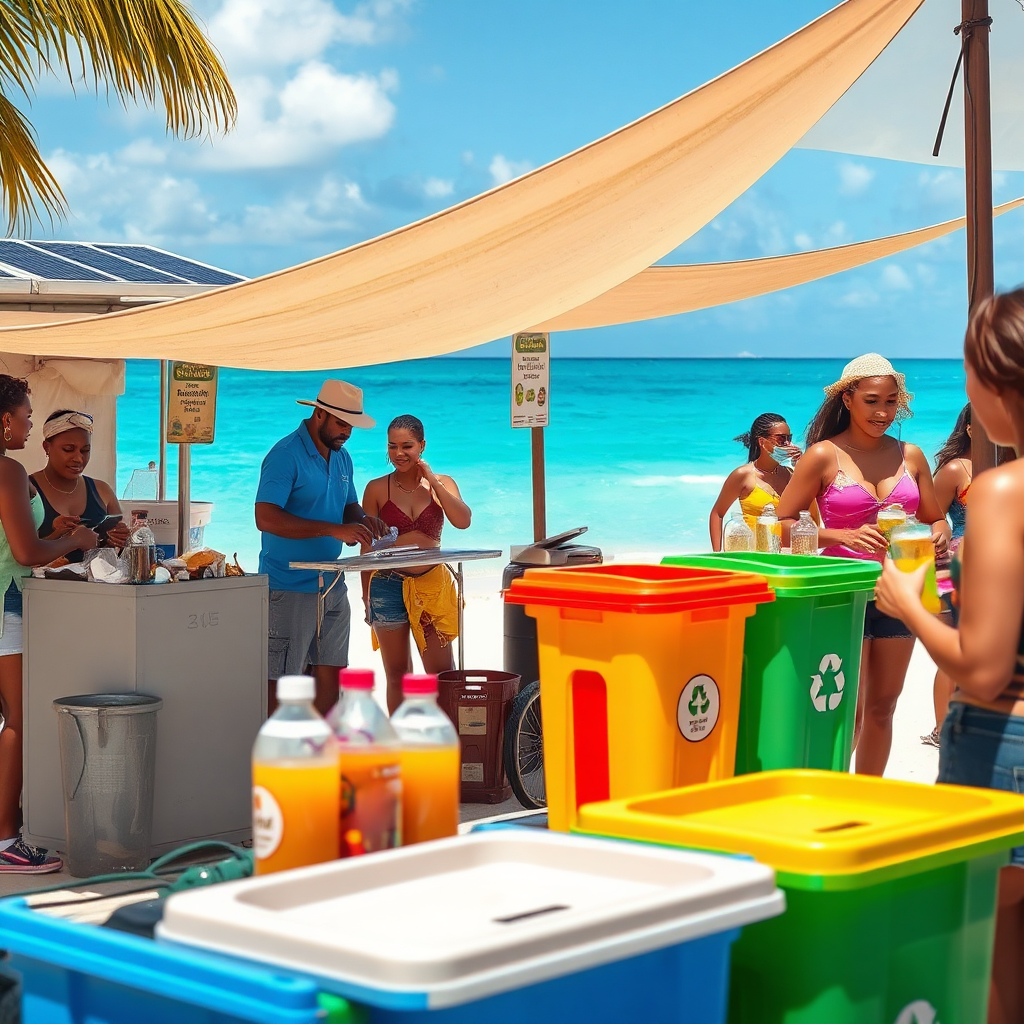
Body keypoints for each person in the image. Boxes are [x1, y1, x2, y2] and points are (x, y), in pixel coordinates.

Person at [874, 291, 1024, 1024]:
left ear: (996, 383)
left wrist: (908, 603)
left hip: (1006, 746)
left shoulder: (1002, 493)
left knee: (993, 966)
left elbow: (985, 666)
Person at [776, 354, 949, 776]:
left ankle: (867, 798)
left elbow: (933, 516)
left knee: (883, 706)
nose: (883, 412)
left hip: (903, 588)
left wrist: (941, 530)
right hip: (842, 592)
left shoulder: (911, 456)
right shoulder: (822, 455)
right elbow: (781, 523)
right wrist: (840, 536)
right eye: (872, 401)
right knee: (844, 708)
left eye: (891, 402)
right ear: (848, 399)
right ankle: (830, 793)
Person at [0, 377, 97, 874]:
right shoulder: (10, 471)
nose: (30, 422)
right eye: (27, 415)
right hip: (7, 604)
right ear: (5, 421)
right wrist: (74, 540)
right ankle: (5, 839)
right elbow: (26, 553)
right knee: (18, 720)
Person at [255, 380, 388, 716]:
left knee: (332, 676)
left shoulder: (343, 459)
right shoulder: (285, 455)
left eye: (351, 426)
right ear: (319, 414)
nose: (347, 433)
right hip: (287, 586)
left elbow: (348, 507)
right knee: (284, 686)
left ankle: (323, 758)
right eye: (341, 423)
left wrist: (365, 520)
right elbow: (265, 517)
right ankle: (279, 761)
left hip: (332, 582)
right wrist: (333, 529)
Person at [360, 415, 472, 712]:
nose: (399, 453)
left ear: (422, 446)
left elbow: (463, 521)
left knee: (441, 676)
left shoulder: (442, 484)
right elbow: (366, 549)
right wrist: (365, 596)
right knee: (397, 675)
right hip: (386, 585)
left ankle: (446, 742)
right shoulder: (375, 488)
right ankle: (401, 745)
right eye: (392, 446)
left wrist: (431, 479)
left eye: (407, 446)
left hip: (431, 586)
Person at [921, 402, 972, 749]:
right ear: (970, 428)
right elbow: (930, 518)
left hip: (1002, 569)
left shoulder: (1010, 465)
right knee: (956, 652)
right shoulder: (956, 469)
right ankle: (941, 730)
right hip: (955, 569)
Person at [30, 410, 131, 559]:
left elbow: (122, 556)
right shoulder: (27, 489)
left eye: (85, 450)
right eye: (68, 449)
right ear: (47, 447)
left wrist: (120, 539)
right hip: (42, 583)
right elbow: (24, 555)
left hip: (96, 581)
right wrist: (60, 536)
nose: (78, 458)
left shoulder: (102, 491)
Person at [708, 412, 804, 550]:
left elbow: (807, 518)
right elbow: (717, 513)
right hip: (752, 555)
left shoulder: (790, 475)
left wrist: (801, 468)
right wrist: (717, 555)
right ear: (762, 442)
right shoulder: (743, 475)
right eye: (781, 439)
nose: (789, 444)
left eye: (790, 438)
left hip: (783, 555)